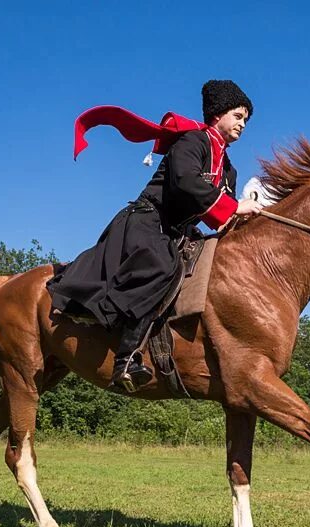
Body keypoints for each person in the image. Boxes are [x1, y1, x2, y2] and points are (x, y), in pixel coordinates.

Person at [47, 80, 261, 392]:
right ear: (218, 114)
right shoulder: (193, 141)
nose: (243, 124)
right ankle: (126, 358)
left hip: (180, 232)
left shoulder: (228, 168)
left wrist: (246, 217)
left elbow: (220, 215)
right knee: (164, 265)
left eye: (246, 120)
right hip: (148, 221)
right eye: (238, 116)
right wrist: (234, 206)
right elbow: (185, 182)